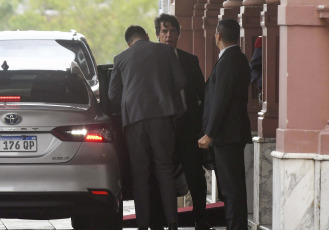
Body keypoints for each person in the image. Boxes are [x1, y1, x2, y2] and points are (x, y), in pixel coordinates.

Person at [108, 25, 187, 230]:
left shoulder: (121, 58)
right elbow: (181, 81)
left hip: (134, 122)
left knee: (140, 175)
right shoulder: (165, 51)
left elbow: (113, 95)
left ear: (129, 42)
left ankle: (143, 224)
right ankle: (172, 223)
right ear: (147, 36)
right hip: (162, 117)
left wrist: (131, 102)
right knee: (165, 170)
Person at [152, 13, 214, 230]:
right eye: (164, 31)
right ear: (157, 35)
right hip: (162, 131)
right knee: (162, 178)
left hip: (188, 130)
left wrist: (203, 127)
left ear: (178, 33)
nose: (168, 35)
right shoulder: (151, 62)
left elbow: (202, 94)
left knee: (195, 177)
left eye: (172, 31)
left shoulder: (190, 60)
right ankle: (162, 221)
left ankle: (201, 220)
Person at [198, 19, 252, 230]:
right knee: (233, 188)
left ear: (218, 36)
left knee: (231, 189)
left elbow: (221, 100)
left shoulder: (230, 61)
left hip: (227, 136)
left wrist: (210, 133)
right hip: (231, 134)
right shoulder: (237, 58)